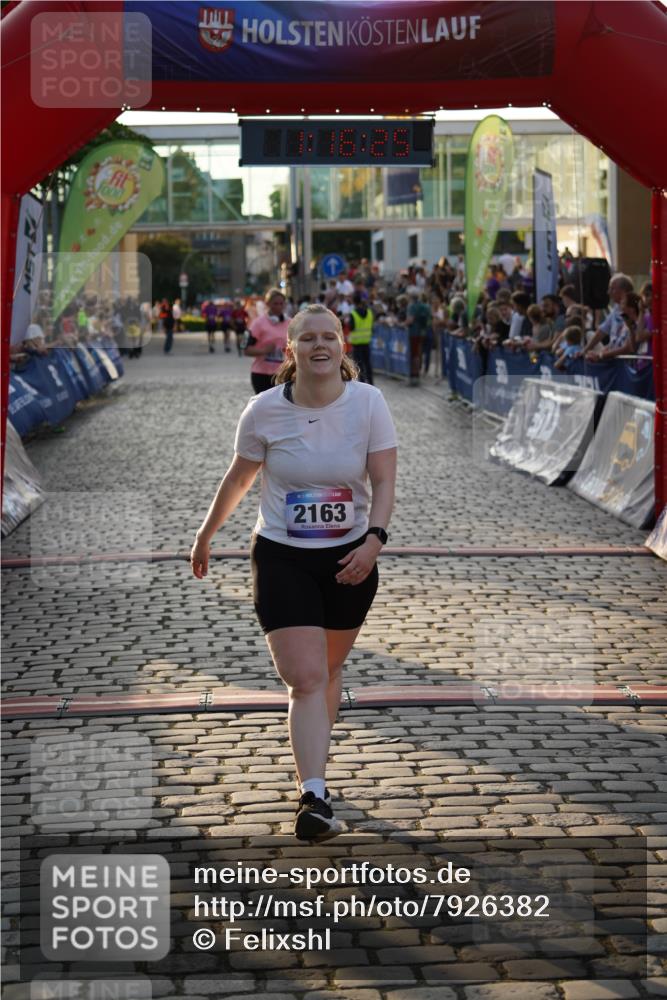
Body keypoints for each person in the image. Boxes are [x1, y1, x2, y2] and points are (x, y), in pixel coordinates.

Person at [190, 304, 397, 841]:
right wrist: (206, 534)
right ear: (291, 349)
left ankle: (316, 772)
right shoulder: (262, 411)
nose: (320, 345)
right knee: (305, 677)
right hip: (281, 554)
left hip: (349, 559)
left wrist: (374, 542)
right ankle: (314, 795)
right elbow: (239, 478)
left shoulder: (369, 403)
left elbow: (383, 482)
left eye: (330, 337)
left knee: (326, 673)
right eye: (308, 338)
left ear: (343, 347)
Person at [244, 287, 290, 394]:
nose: (279, 306)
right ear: (267, 304)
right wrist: (264, 351)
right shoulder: (257, 324)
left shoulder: (290, 323)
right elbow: (246, 350)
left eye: (281, 303)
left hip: (283, 374)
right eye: (275, 303)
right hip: (261, 374)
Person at [348, 291, 374, 384]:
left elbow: (352, 327)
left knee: (359, 365)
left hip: (357, 344)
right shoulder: (369, 313)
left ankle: (362, 383)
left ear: (354, 302)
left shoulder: (353, 314)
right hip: (366, 342)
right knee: (368, 364)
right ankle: (371, 382)